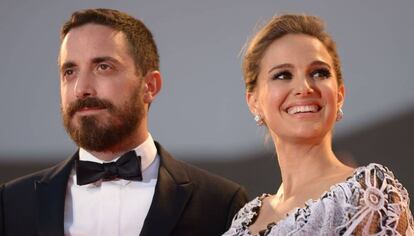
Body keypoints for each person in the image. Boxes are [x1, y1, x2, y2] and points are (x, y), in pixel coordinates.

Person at [0, 8, 248, 236]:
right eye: (69, 71)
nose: (81, 89)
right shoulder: (11, 204)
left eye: (103, 67)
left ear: (149, 86)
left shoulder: (221, 203)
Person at [223, 14, 414, 235]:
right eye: (283, 75)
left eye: (319, 73)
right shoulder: (244, 217)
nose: (304, 87)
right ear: (254, 101)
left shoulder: (366, 194)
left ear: (339, 94)